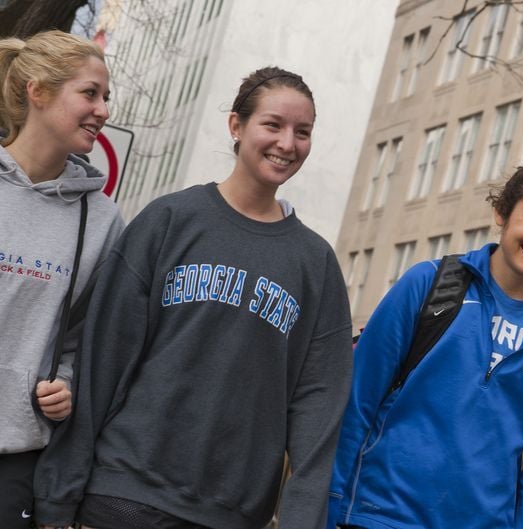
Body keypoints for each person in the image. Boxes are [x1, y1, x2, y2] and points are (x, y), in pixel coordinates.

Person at [33, 66, 353, 529]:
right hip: (123, 497)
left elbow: (319, 408)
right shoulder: (169, 221)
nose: (288, 143)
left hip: (229, 514)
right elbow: (102, 361)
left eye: (302, 132)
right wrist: (59, 497)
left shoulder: (316, 264)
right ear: (237, 126)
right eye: (273, 125)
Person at [327, 161, 523, 529]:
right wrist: (328, 509)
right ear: (502, 212)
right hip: (382, 516)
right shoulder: (428, 286)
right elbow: (357, 405)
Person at [0, 30, 124, 529]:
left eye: (106, 97)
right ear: (38, 91)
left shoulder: (102, 220)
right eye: (90, 93)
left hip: (15, 458)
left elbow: (84, 338)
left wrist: (67, 383)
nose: (103, 110)